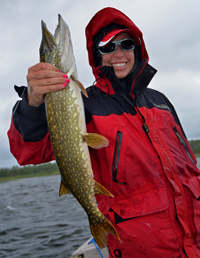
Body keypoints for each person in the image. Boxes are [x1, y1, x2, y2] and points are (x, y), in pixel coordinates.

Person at [7, 7, 200, 258]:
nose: (118, 53)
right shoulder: (85, 104)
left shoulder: (160, 101)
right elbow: (28, 152)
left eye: (126, 43)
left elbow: (189, 168)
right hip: (144, 249)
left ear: (137, 49)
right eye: (107, 47)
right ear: (96, 55)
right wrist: (32, 101)